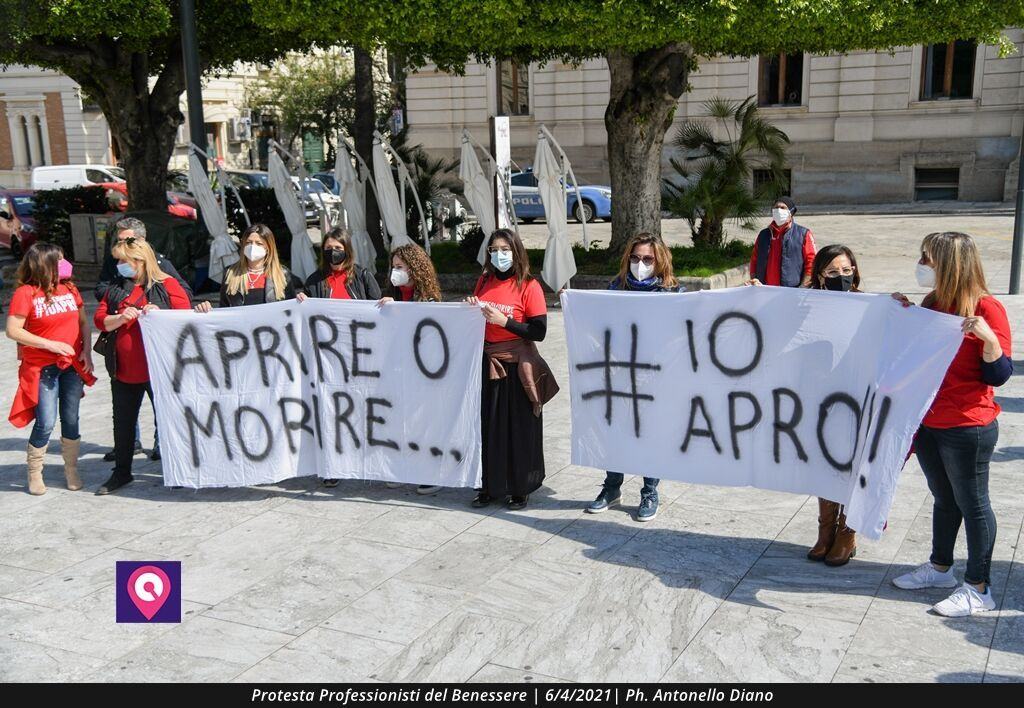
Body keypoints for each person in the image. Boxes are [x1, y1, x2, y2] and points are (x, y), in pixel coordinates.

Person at [891, 232, 1013, 617]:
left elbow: (999, 375)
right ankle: (940, 568)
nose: (921, 264)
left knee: (973, 505)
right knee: (944, 499)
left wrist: (989, 340)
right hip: (930, 421)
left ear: (948, 264)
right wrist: (906, 314)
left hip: (967, 426)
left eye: (926, 258)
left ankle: (979, 588)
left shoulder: (987, 308)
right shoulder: (934, 301)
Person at [585, 233, 684, 522]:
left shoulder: (672, 292)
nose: (640, 263)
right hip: (619, 373)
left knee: (649, 434)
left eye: (648, 259)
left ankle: (649, 491)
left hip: (655, 377)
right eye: (636, 258)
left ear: (660, 261)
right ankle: (612, 487)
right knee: (615, 431)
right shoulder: (617, 288)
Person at [466, 228, 558, 510]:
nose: (499, 255)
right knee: (488, 427)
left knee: (519, 429)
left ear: (516, 252)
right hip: (488, 363)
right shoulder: (484, 281)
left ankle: (520, 486)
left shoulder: (529, 286)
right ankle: (490, 485)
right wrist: (470, 308)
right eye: (494, 250)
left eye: (505, 249)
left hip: (518, 365)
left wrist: (504, 321)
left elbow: (538, 331)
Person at [93, 237, 192, 495]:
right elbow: (100, 319)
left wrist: (159, 313)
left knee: (169, 420)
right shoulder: (117, 287)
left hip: (160, 371)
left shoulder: (166, 285)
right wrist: (119, 317)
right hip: (124, 368)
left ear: (140, 260)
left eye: (123, 260)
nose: (119, 265)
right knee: (123, 422)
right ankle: (122, 472)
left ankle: (178, 468)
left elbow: (186, 318)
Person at [6, 243, 96, 495]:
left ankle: (71, 469)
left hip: (72, 367)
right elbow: (14, 330)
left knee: (71, 419)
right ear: (45, 264)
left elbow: (83, 324)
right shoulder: (26, 293)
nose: (66, 264)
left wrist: (86, 351)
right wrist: (51, 344)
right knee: (45, 422)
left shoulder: (69, 289)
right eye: (61, 260)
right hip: (43, 367)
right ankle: (35, 472)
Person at [298, 227, 381, 487]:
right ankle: (332, 465)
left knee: (361, 408)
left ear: (347, 248)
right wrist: (300, 301)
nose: (333, 252)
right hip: (328, 358)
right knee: (331, 411)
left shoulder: (363, 276)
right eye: (328, 248)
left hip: (360, 356)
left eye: (337, 247)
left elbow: (379, 310)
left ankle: (363, 460)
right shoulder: (314, 281)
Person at [802, 244, 862, 566]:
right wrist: (759, 296)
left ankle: (847, 531)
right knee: (826, 464)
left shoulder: (869, 306)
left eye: (847, 270)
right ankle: (826, 530)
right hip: (821, 399)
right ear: (821, 276)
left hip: (856, 400)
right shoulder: (808, 304)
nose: (842, 277)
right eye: (834, 272)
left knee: (852, 467)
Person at [378, 243, 444, 495]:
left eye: (399, 267)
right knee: (398, 420)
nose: (395, 272)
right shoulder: (393, 295)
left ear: (414, 269)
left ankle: (431, 472)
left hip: (423, 372)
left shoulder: (427, 298)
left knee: (423, 422)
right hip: (397, 370)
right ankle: (401, 468)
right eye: (393, 267)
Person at [195, 223, 297, 311]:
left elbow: (293, 309)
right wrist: (207, 310)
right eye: (248, 242)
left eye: (259, 243)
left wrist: (301, 301)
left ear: (268, 248)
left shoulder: (282, 274)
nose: (253, 246)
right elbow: (224, 309)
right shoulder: (230, 273)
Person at [746, 196, 816, 287]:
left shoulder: (803, 234)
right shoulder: (763, 234)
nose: (778, 210)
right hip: (764, 288)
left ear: (791, 212)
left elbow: (811, 262)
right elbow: (754, 260)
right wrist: (754, 280)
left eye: (783, 208)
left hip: (791, 291)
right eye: (776, 208)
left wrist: (802, 288)